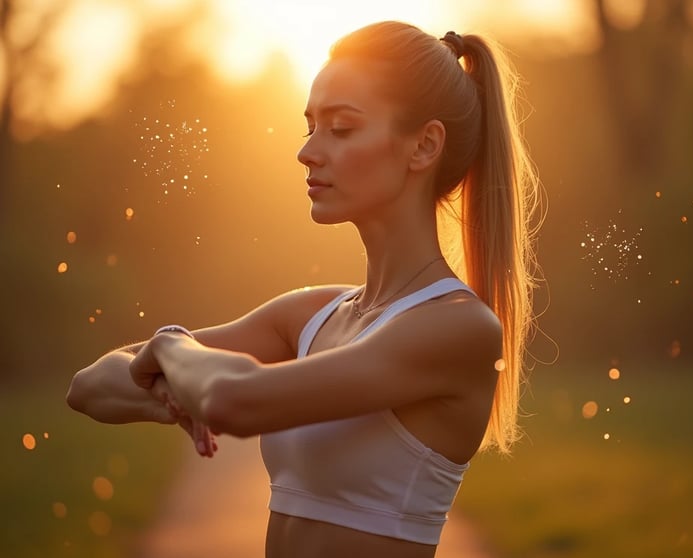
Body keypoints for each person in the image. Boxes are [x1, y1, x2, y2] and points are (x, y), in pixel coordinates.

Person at [66, 20, 540, 558]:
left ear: (424, 145)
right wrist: (175, 398)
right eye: (309, 126)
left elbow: (231, 399)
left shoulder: (458, 327)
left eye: (340, 129)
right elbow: (88, 387)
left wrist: (171, 347)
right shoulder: (311, 315)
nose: (307, 152)